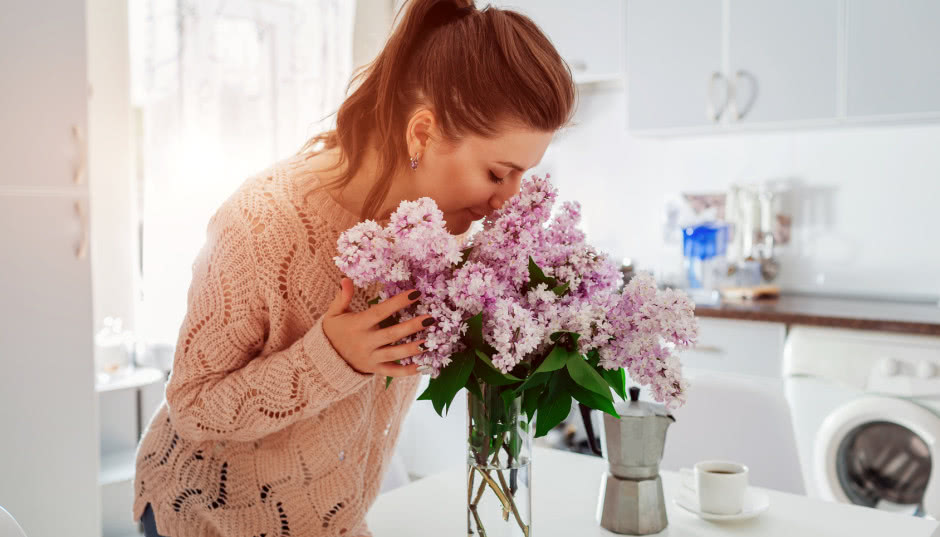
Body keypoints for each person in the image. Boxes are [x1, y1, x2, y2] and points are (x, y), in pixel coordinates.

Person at [133, 0, 576, 535]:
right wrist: (332, 356)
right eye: (497, 173)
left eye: (523, 176)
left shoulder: (439, 238)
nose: (507, 201)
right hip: (206, 519)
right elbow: (193, 407)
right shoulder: (262, 221)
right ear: (422, 134)